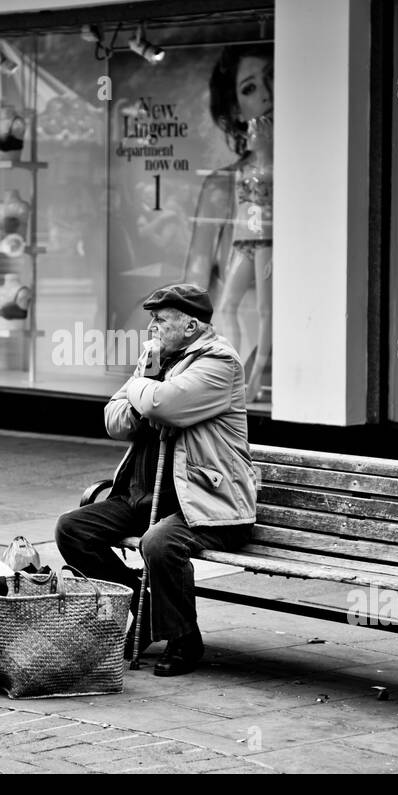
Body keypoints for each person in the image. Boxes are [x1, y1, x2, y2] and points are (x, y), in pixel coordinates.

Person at [54, 283, 257, 676]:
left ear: (191, 325)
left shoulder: (219, 362)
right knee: (73, 530)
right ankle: (141, 606)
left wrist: (140, 388)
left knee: (160, 543)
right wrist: (142, 399)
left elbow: (165, 405)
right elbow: (113, 420)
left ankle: (184, 638)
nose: (151, 329)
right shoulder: (156, 364)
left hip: (204, 501)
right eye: (151, 320)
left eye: (160, 321)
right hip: (143, 495)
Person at [183, 43, 274, 403]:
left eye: (273, 80)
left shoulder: (291, 168)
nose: (267, 96)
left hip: (267, 244)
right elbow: (198, 266)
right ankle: (238, 379)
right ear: (236, 109)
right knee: (227, 307)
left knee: (267, 311)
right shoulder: (222, 183)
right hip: (247, 244)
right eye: (250, 88)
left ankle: (255, 379)